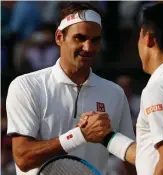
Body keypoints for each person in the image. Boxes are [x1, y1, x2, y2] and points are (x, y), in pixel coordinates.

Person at [78, 3, 163, 175]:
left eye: (139, 36)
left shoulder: (159, 88)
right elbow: (150, 157)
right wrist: (107, 137)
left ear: (148, 38)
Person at [6, 2, 135, 175]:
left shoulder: (115, 93)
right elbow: (23, 158)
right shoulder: (26, 86)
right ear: (59, 37)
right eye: (80, 38)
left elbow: (130, 161)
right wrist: (80, 135)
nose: (88, 47)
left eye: (95, 40)